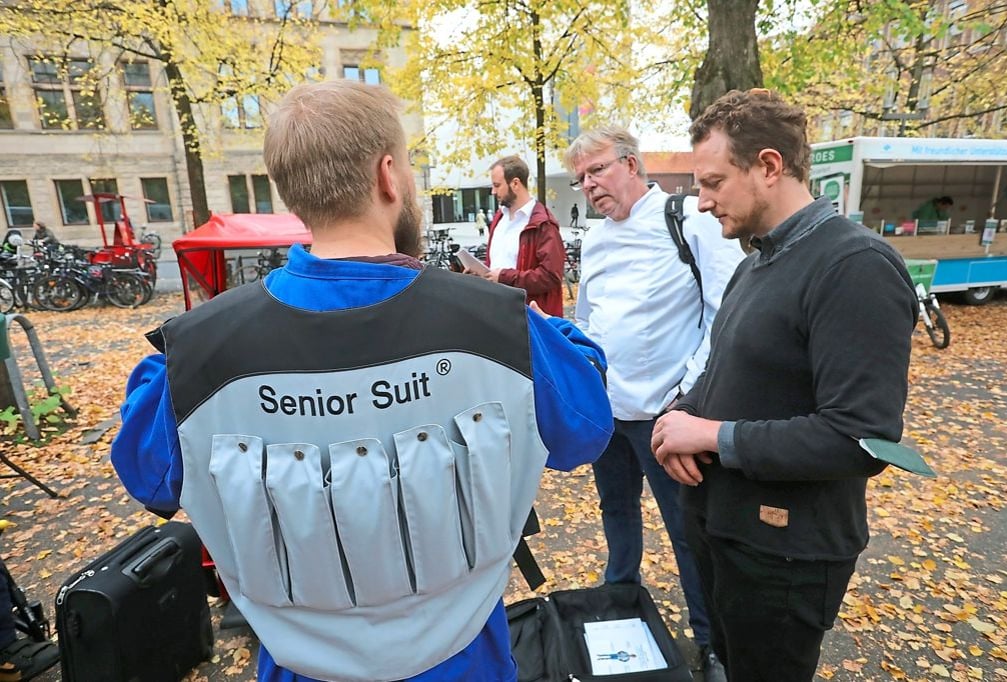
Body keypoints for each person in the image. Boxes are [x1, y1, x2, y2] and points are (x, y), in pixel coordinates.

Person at [110, 80, 614, 682]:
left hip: (299, 667)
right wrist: (543, 331)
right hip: (466, 660)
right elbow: (584, 430)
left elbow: (148, 473)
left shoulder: (193, 353)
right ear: (387, 176)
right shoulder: (500, 326)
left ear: (289, 190)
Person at [651, 89, 917, 681]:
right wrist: (680, 416)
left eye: (714, 182)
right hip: (726, 533)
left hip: (784, 557)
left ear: (769, 166)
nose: (701, 202)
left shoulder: (855, 266)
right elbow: (731, 371)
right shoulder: (755, 264)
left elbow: (860, 437)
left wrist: (714, 435)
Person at [564, 124, 745, 682]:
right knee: (616, 511)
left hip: (670, 418)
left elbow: (725, 313)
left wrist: (686, 397)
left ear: (632, 164)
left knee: (689, 532)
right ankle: (621, 600)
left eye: (597, 170)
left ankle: (711, 642)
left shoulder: (687, 220)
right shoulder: (594, 238)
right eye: (580, 179)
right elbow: (587, 320)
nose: (589, 185)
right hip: (609, 415)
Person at [481, 155, 565, 316]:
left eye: (497, 185)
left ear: (515, 183)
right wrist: (481, 273)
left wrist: (504, 277)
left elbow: (550, 276)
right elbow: (496, 263)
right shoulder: (500, 218)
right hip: (497, 311)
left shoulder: (543, 224)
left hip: (528, 318)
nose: (493, 191)